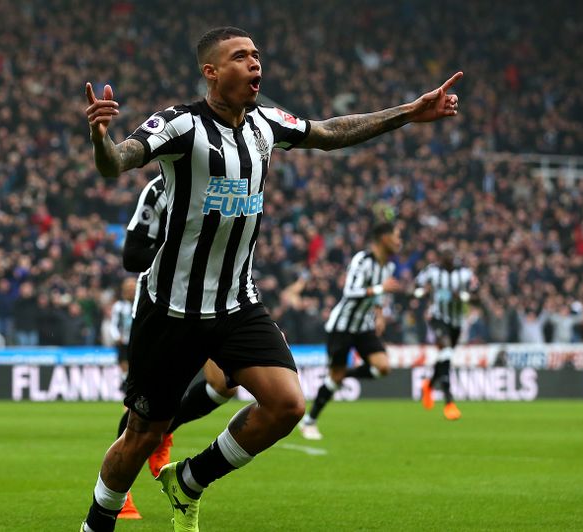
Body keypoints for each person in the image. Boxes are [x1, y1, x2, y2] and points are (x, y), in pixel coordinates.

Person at [80, 26, 461, 532]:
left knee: (286, 405)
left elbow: (330, 133)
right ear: (211, 72)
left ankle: (190, 480)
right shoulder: (179, 124)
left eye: (256, 55)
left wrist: (409, 112)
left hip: (237, 303)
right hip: (173, 308)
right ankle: (97, 523)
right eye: (241, 57)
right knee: (143, 434)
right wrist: (100, 138)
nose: (255, 63)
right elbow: (118, 161)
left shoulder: (266, 122)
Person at [115, 175, 240, 520]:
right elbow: (132, 256)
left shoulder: (232, 180)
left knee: (224, 385)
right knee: (142, 407)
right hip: (162, 305)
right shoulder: (160, 189)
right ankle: (119, 493)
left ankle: (166, 430)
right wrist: (185, 258)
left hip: (214, 300)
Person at [298, 222, 402, 440]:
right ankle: (310, 421)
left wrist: (379, 315)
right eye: (396, 236)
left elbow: (379, 297)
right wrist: (381, 288)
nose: (399, 241)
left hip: (363, 327)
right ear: (384, 238)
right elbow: (350, 291)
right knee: (334, 377)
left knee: (383, 367)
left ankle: (343, 375)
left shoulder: (388, 267)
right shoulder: (361, 260)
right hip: (342, 327)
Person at [413, 243, 477, 421]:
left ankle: (429, 385)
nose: (448, 258)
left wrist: (462, 296)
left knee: (445, 356)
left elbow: (477, 294)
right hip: (438, 317)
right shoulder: (431, 271)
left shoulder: (465, 273)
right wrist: (423, 292)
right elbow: (415, 288)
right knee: (446, 350)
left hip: (457, 321)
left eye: (450, 255)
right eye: (444, 255)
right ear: (440, 257)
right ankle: (449, 402)